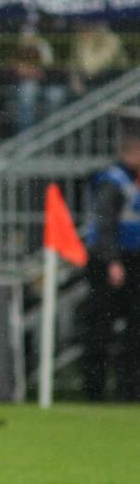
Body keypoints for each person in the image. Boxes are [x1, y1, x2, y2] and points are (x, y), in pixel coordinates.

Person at [80, 110, 140, 402]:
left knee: (135, 329)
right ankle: (95, 391)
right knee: (100, 327)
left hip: (133, 260)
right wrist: (113, 261)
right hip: (109, 262)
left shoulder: (131, 180)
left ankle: (130, 390)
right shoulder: (113, 181)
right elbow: (104, 225)